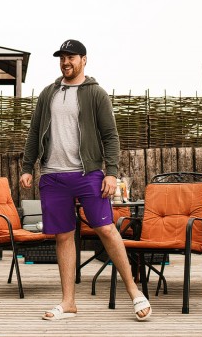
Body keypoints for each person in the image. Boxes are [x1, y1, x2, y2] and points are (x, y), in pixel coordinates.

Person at [20, 39, 152, 322]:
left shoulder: (96, 94)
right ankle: (68, 302)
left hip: (87, 173)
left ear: (84, 60)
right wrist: (27, 166)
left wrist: (112, 172)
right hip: (53, 176)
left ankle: (134, 291)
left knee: (106, 229)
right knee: (63, 235)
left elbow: (111, 136)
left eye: (71, 57)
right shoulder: (48, 94)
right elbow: (34, 133)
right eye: (62, 58)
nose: (66, 62)